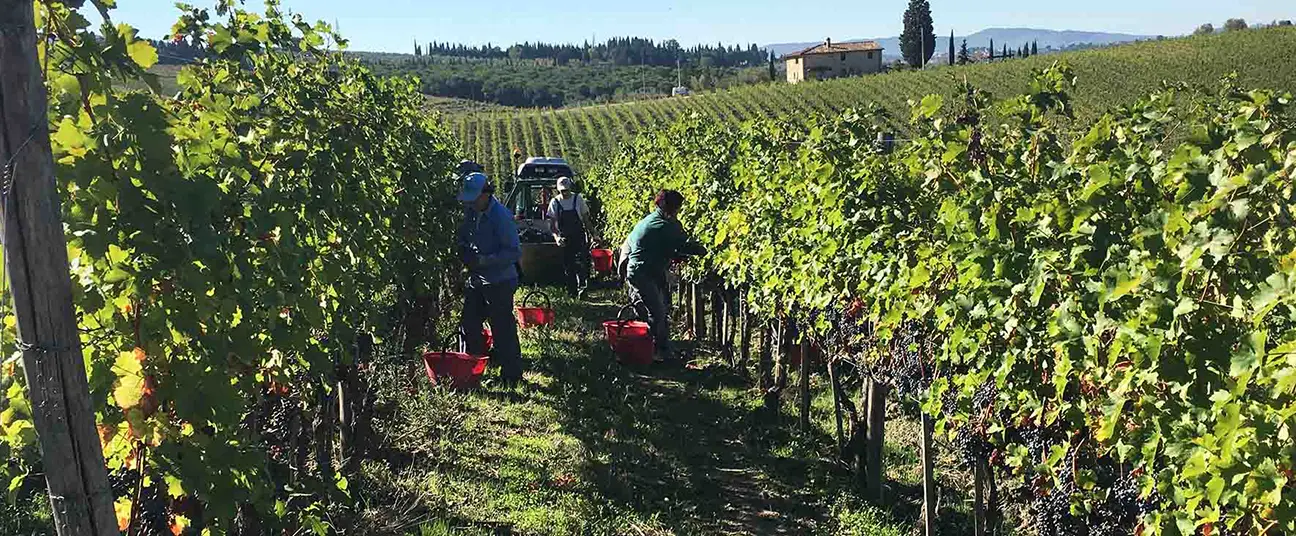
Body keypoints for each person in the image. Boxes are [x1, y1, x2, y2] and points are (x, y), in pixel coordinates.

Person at [457, 171, 525, 385]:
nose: (471, 203)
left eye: (474, 198)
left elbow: (514, 252)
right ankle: (474, 369)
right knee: (469, 322)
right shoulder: (473, 212)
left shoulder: (501, 217)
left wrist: (484, 260)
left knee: (501, 326)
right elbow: (466, 236)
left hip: (500, 280)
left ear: (486, 194)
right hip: (479, 278)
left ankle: (511, 376)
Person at [623, 190, 705, 363]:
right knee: (657, 311)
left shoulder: (652, 219)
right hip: (642, 272)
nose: (678, 211)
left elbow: (661, 247)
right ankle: (654, 351)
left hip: (646, 269)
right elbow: (684, 245)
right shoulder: (663, 224)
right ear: (671, 208)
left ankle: (654, 346)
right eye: (677, 208)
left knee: (656, 308)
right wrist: (703, 250)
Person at [547, 177, 597, 298]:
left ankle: (583, 290)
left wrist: (594, 235)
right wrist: (557, 238)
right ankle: (572, 293)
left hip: (579, 236)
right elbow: (552, 226)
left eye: (566, 190)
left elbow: (586, 220)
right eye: (562, 191)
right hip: (565, 239)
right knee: (569, 267)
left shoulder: (578, 199)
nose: (565, 193)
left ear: (570, 188)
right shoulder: (555, 202)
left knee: (582, 264)